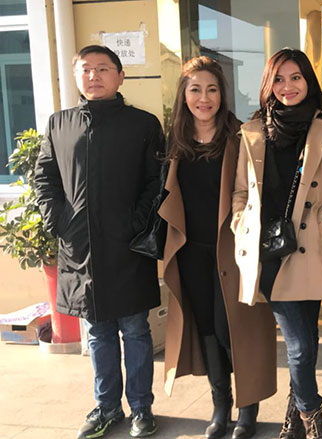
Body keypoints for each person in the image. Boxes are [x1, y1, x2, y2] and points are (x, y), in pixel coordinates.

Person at [33, 45, 163, 438]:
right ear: (76, 77)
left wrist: (134, 224)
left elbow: (156, 182)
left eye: (103, 68)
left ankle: (141, 408)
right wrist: (60, 222)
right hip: (80, 250)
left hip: (128, 248)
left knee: (136, 330)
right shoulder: (60, 124)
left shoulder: (143, 124)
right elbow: (44, 178)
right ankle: (107, 408)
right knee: (98, 333)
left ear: (120, 76)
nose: (94, 76)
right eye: (86, 69)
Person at [231, 48, 322, 439]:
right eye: (279, 79)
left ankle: (294, 421)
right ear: (269, 85)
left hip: (309, 250)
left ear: (308, 82)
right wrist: (240, 222)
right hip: (268, 253)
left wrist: (320, 224)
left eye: (296, 77)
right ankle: (312, 419)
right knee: (300, 345)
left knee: (308, 340)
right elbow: (240, 192)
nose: (288, 86)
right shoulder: (252, 132)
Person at [158, 56, 277, 439]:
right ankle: (220, 406)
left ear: (222, 94)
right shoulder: (175, 143)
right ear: (184, 95)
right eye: (195, 90)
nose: (204, 98)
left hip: (234, 250)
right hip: (191, 250)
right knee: (208, 329)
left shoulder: (240, 138)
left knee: (234, 330)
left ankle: (248, 408)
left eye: (211, 89)